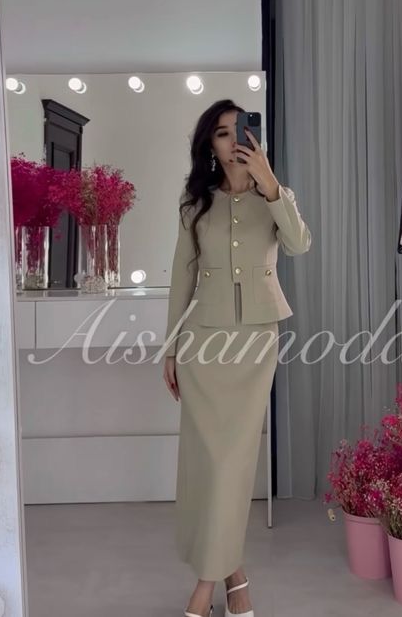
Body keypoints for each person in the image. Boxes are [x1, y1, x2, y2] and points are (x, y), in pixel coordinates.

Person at [163, 99, 312, 617]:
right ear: (210, 144)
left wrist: (270, 185)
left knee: (232, 464)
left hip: (253, 344)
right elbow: (182, 279)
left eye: (240, 131)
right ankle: (235, 578)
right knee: (208, 465)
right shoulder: (194, 204)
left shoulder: (276, 196)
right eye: (222, 133)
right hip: (201, 345)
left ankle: (204, 590)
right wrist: (169, 348)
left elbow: (299, 244)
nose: (233, 141)